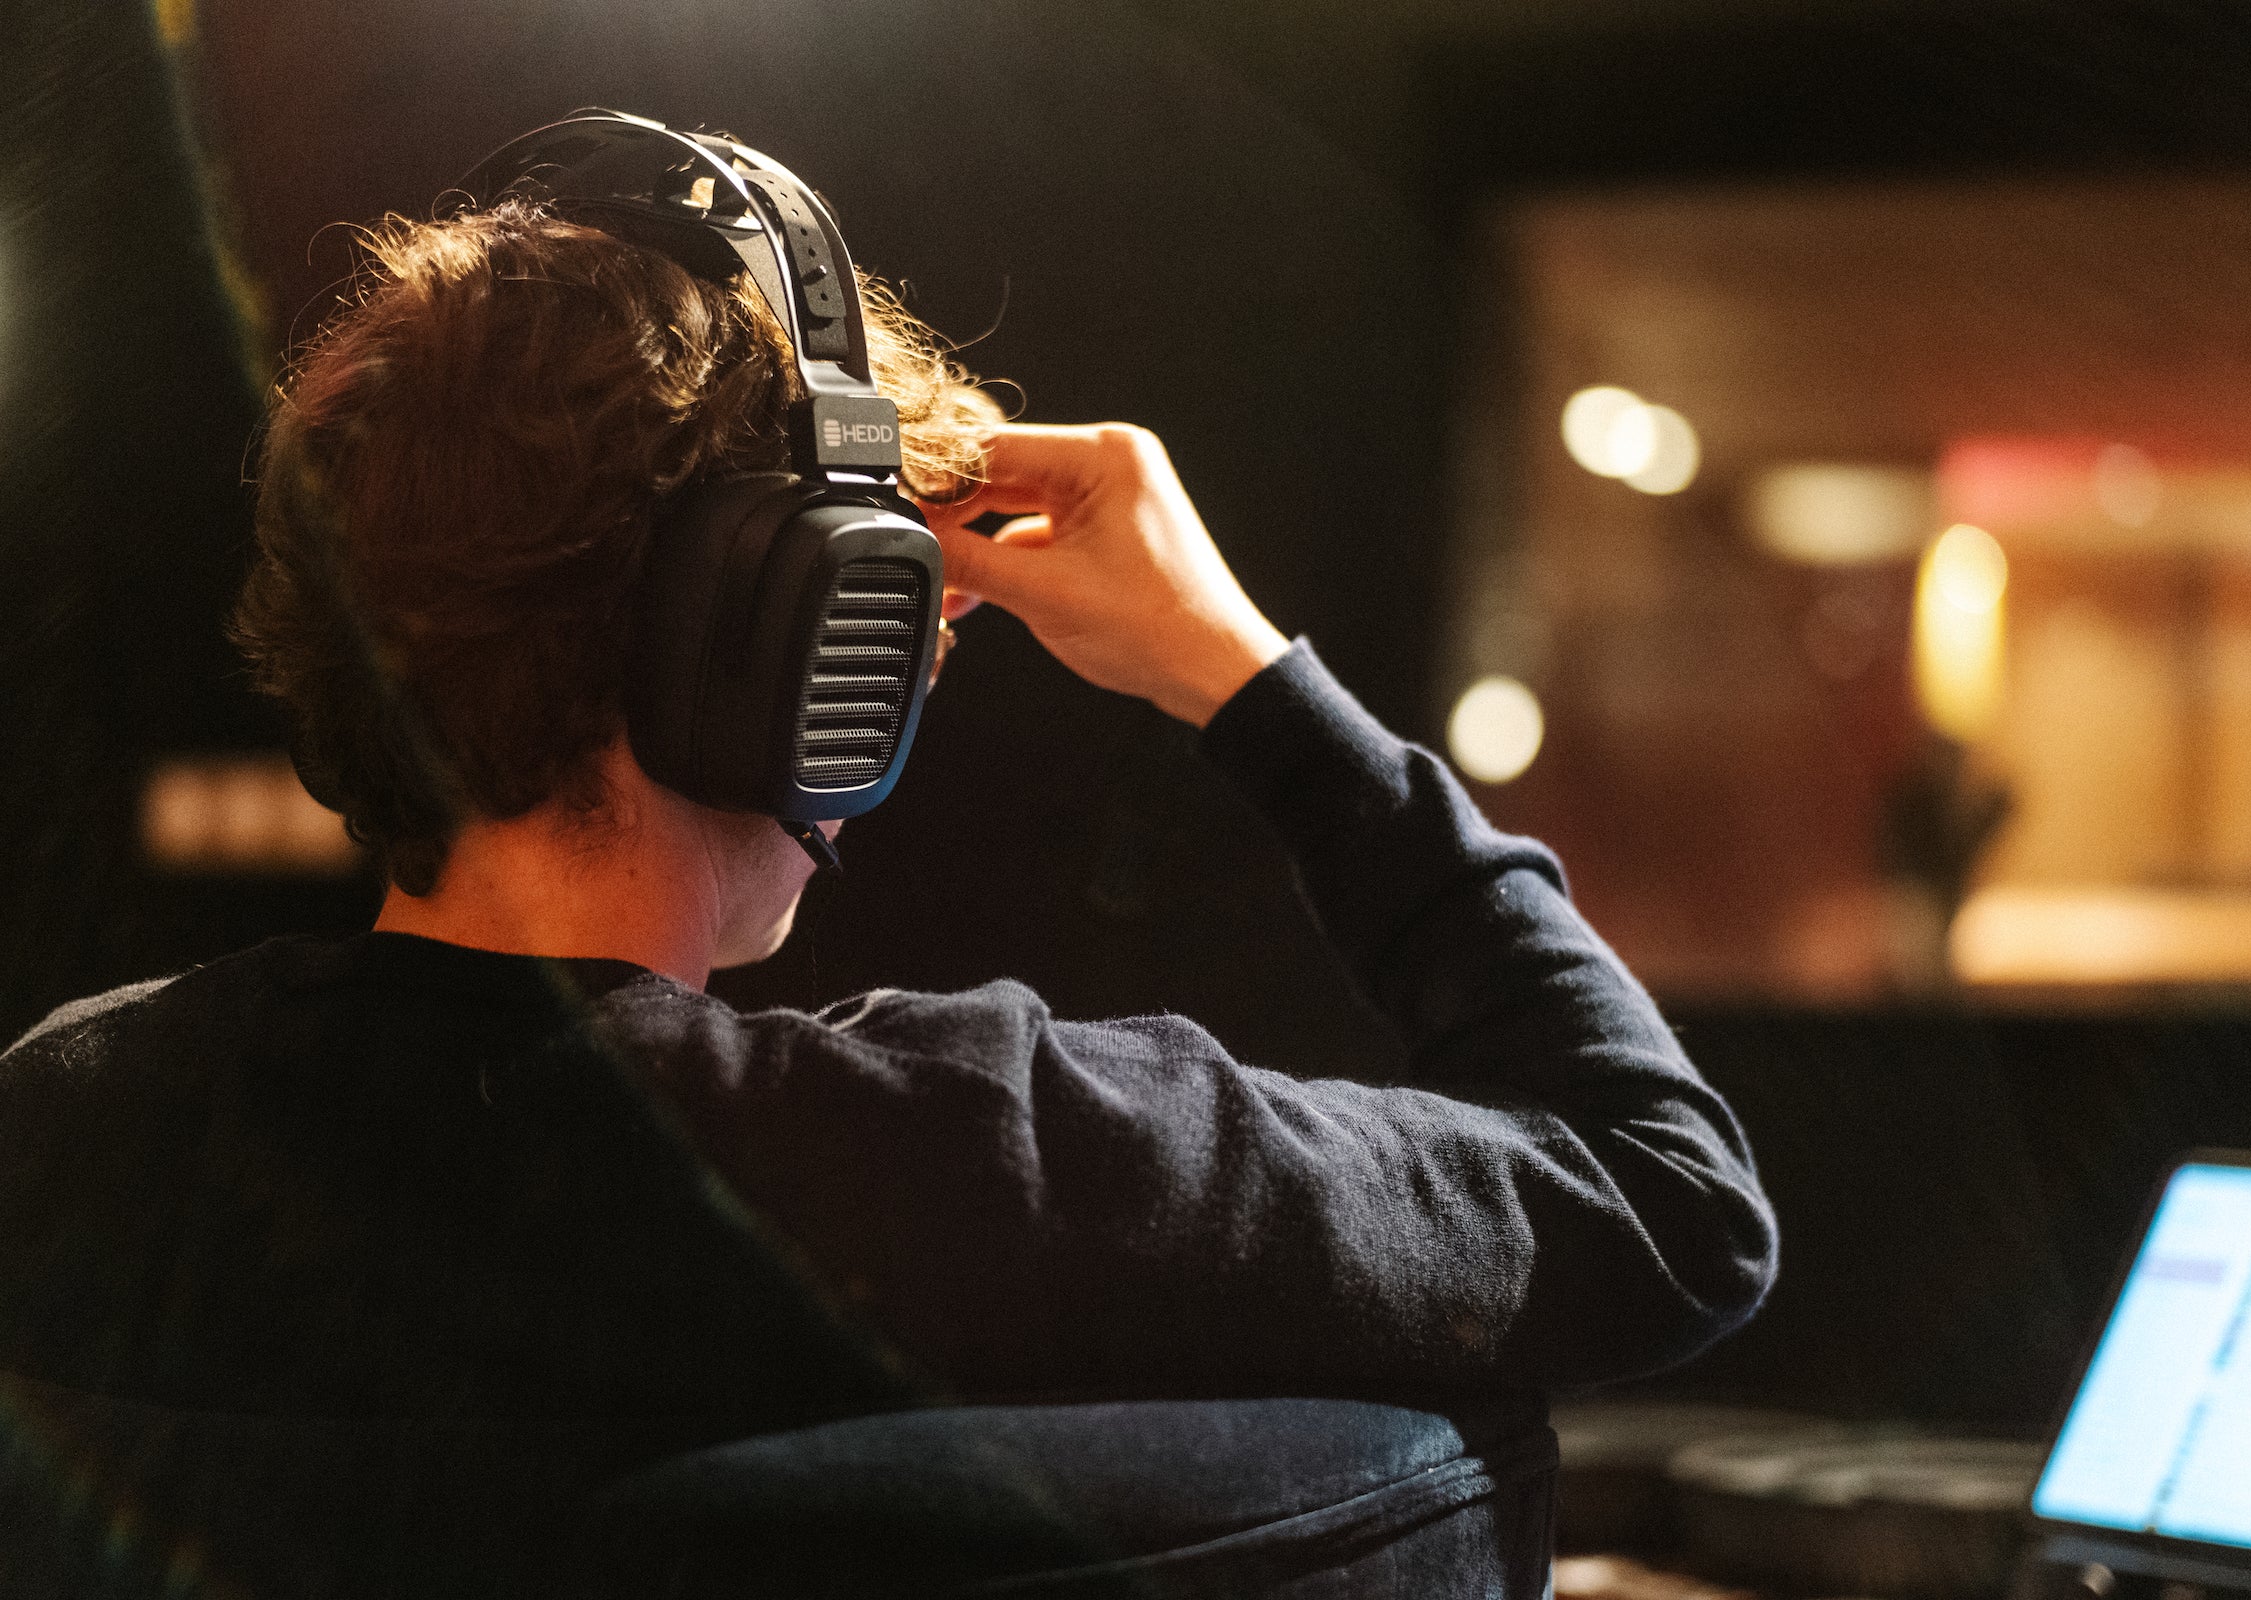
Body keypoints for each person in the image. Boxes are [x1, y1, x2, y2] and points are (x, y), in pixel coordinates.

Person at [0, 183, 1772, 1434]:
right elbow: (1674, 1198)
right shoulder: (984, 1158)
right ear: (780, 647)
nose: (922, 665)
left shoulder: (74, 1115)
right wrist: (1246, 678)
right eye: (895, 621)